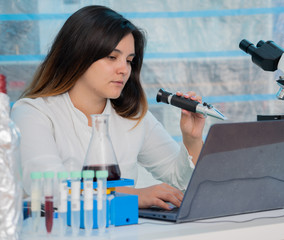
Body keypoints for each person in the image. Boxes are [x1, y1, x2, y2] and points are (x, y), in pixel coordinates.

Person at [11, 5, 205, 210]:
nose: (124, 69)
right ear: (78, 55)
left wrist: (191, 139)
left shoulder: (133, 116)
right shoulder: (32, 113)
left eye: (129, 60)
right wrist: (132, 196)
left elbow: (181, 184)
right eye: (112, 57)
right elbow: (49, 189)